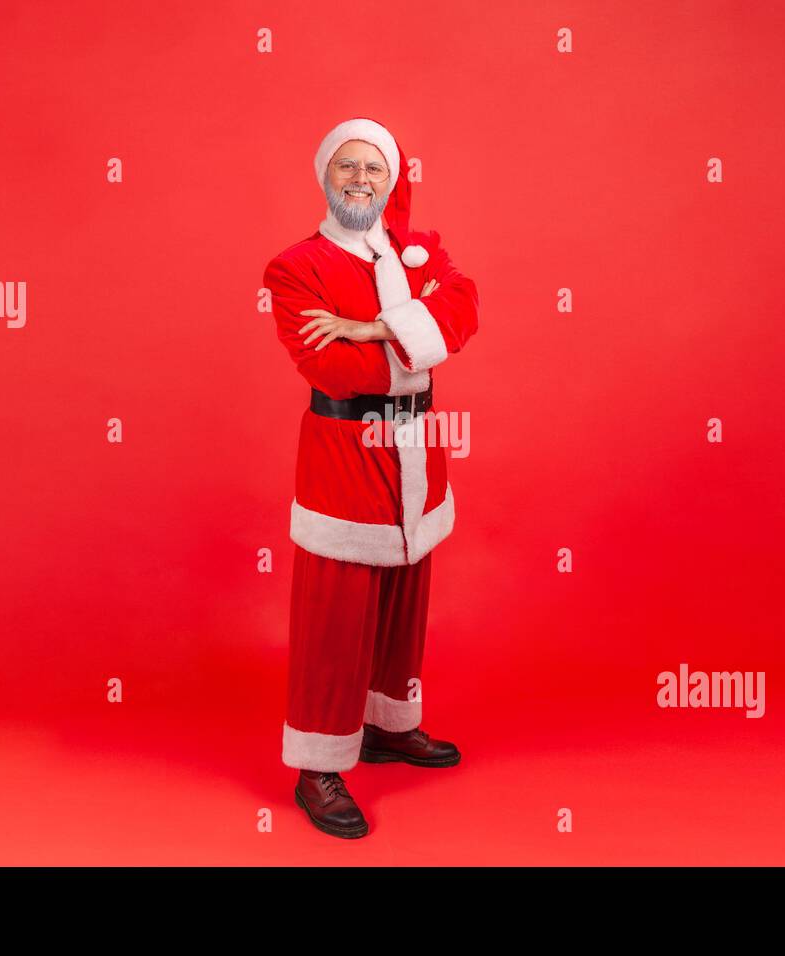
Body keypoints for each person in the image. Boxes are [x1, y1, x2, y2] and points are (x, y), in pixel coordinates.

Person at [263, 117, 479, 838]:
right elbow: (330, 365)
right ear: (327, 177)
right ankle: (318, 764)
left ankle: (387, 725)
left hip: (418, 444)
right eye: (346, 168)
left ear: (393, 179)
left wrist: (369, 327)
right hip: (344, 447)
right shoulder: (295, 268)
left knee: (402, 596)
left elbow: (467, 309)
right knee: (336, 608)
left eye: (374, 169)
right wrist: (413, 333)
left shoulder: (423, 251)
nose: (360, 180)